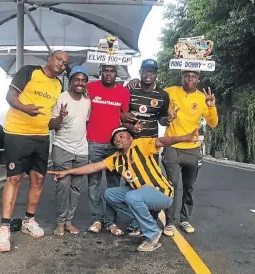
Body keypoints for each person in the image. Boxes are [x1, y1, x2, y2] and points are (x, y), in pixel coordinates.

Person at [48, 126, 199, 252]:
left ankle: (152, 235)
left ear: (130, 138)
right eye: (115, 139)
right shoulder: (116, 158)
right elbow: (93, 167)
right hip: (142, 195)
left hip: (162, 194)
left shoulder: (141, 144)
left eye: (121, 136)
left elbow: (163, 141)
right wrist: (66, 172)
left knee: (132, 197)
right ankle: (148, 220)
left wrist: (186, 137)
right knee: (109, 194)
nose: (117, 139)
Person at [127, 70, 218, 237]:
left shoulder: (203, 98)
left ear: (198, 79)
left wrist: (211, 107)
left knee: (188, 187)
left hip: (193, 148)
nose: (189, 79)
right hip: (172, 147)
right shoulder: (170, 92)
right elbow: (153, 93)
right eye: (186, 76)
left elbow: (213, 123)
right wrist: (135, 82)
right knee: (172, 184)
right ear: (181, 77)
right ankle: (169, 222)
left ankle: (185, 219)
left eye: (193, 76)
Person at [0, 50, 69, 252]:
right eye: (58, 59)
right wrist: (24, 108)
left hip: (41, 137)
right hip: (17, 133)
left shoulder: (58, 85)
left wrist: (60, 118)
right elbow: (10, 96)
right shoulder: (29, 71)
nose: (61, 64)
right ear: (50, 58)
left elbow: (51, 122)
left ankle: (29, 220)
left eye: (64, 63)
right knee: (14, 179)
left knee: (38, 179)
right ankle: (4, 229)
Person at [121, 59, 178, 235]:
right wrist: (130, 126)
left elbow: (161, 119)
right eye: (146, 71)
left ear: (155, 74)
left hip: (150, 147)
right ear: (140, 72)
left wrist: (168, 120)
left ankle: (150, 220)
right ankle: (134, 222)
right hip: (130, 145)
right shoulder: (130, 90)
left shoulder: (162, 95)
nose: (148, 74)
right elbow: (122, 114)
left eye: (152, 72)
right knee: (131, 182)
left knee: (150, 183)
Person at [85, 64, 130, 236]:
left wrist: (132, 125)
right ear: (100, 72)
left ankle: (111, 222)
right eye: (106, 71)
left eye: (112, 71)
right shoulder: (90, 87)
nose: (109, 74)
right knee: (93, 184)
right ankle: (97, 219)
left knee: (113, 185)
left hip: (114, 145)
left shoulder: (123, 92)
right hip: (93, 143)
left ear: (116, 74)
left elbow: (124, 117)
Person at [48, 66, 91, 236]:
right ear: (71, 81)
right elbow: (51, 125)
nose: (80, 83)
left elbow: (85, 122)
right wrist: (61, 116)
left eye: (83, 80)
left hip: (81, 150)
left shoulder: (88, 101)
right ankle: (60, 222)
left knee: (76, 189)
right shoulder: (61, 99)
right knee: (63, 187)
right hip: (62, 148)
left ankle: (69, 222)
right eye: (77, 80)